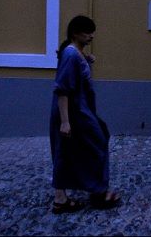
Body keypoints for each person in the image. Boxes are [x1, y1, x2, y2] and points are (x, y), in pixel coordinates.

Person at [50, 15, 120, 214]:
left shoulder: (76, 54)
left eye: (92, 31)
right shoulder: (72, 55)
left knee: (69, 149)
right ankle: (97, 192)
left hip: (81, 109)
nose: (92, 36)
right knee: (95, 143)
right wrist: (65, 121)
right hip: (74, 111)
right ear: (75, 33)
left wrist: (87, 61)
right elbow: (62, 89)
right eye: (87, 32)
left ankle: (61, 198)